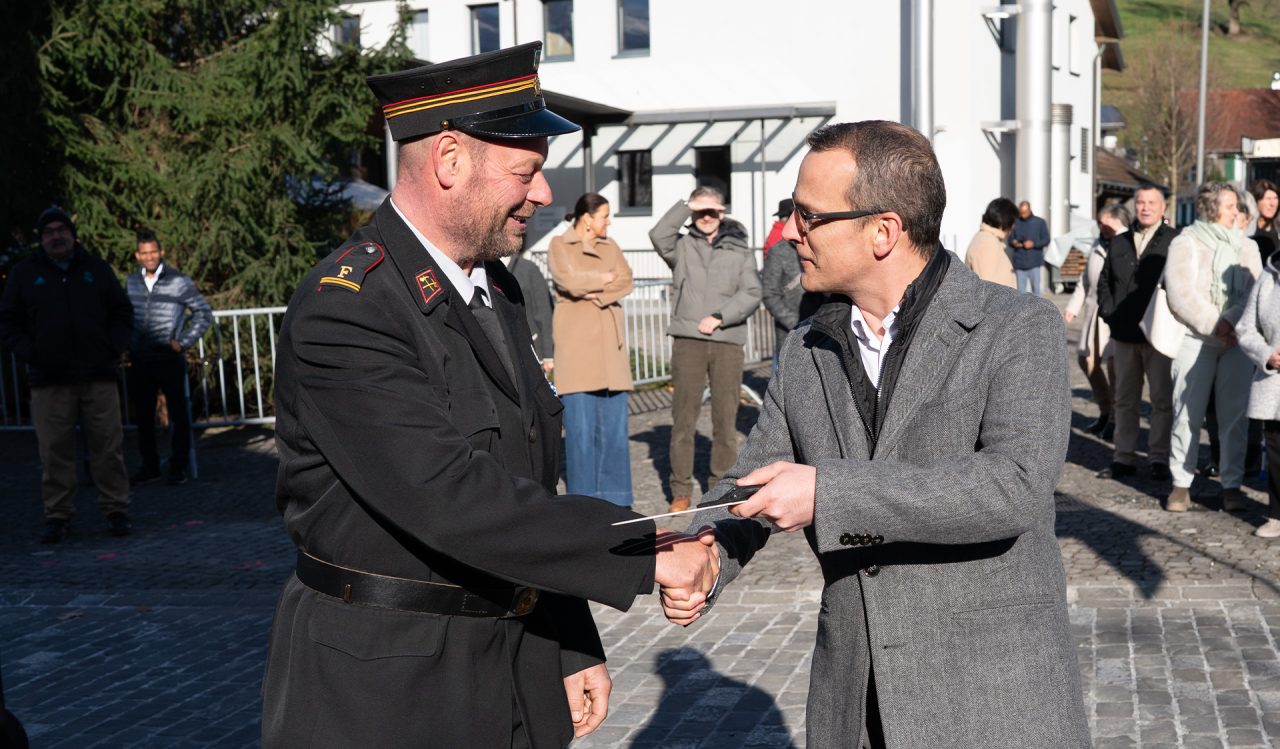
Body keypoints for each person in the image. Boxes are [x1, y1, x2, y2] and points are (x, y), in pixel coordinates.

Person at [259, 43, 717, 749]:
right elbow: (451, 493)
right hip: (388, 687)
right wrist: (642, 546)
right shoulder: (347, 308)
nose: (542, 194)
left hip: (514, 659)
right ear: (448, 161)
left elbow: (528, 478)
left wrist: (566, 636)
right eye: (526, 172)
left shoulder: (492, 286)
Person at [661, 121, 1089, 747]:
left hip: (992, 696)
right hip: (856, 700)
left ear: (883, 231)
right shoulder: (808, 347)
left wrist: (829, 494)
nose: (792, 230)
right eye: (791, 212)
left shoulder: (1017, 327)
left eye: (809, 216)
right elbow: (751, 477)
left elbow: (1014, 487)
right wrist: (706, 549)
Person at [0, 206, 133, 543]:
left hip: (98, 375)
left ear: (73, 235)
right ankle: (58, 515)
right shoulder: (24, 274)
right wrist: (32, 354)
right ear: (40, 239)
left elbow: (121, 311)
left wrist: (113, 347)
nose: (56, 236)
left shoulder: (96, 269)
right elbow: (8, 321)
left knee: (108, 447)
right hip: (49, 380)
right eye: (49, 231)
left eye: (62, 229)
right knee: (54, 451)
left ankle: (116, 510)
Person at [650, 187, 761, 512]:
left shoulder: (740, 249)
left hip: (727, 341)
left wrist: (720, 317)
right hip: (688, 340)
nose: (707, 217)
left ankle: (719, 487)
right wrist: (687, 204)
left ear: (723, 214)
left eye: (713, 212)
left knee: (725, 420)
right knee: (683, 419)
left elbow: (753, 291)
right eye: (701, 212)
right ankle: (680, 490)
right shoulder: (682, 247)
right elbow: (659, 234)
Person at [1164, 182, 1262, 512]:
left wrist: (1232, 321)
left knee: (1234, 417)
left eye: (1237, 206)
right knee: (1186, 413)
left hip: (1236, 342)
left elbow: (1254, 292)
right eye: (1231, 205)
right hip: (1196, 339)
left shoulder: (1247, 247)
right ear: (1211, 207)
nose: (1237, 211)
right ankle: (1181, 483)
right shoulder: (1186, 241)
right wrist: (1213, 323)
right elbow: (1179, 292)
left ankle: (1231, 484)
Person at [547, 193, 635, 507]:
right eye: (604, 216)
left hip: (611, 348)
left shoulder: (611, 246)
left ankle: (617, 499)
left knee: (613, 431)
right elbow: (567, 281)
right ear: (587, 217)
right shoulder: (559, 245)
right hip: (577, 347)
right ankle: (584, 502)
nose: (609, 222)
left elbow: (626, 280)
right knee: (580, 433)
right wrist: (601, 278)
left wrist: (594, 293)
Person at [1096, 184, 1178, 481]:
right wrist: (1109, 313)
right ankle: (1124, 457)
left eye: (1151, 203)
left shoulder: (1175, 241)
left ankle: (1158, 457)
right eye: (1140, 202)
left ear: (1162, 207)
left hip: (1159, 335)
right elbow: (1104, 283)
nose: (1145, 207)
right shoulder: (1119, 242)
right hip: (1125, 334)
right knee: (1124, 399)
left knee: (1161, 401)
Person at [125, 229, 212, 486]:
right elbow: (123, 315)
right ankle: (149, 466)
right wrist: (126, 343)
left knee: (178, 414)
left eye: (154, 252)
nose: (150, 257)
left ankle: (178, 467)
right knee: (143, 416)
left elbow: (203, 312)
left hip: (168, 357)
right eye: (144, 253)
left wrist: (183, 341)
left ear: (161, 252)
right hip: (140, 358)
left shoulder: (178, 281)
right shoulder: (131, 282)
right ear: (137, 255)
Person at [1065, 202, 1129, 439]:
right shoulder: (1098, 244)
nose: (1101, 226)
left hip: (1115, 315)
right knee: (1087, 361)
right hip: (1094, 312)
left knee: (1115, 367)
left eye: (1105, 222)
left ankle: (1115, 419)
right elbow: (1085, 280)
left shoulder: (1125, 243)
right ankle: (1105, 410)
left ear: (1117, 220)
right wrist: (1073, 307)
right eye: (1100, 223)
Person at [761, 208, 824, 377]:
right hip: (792, 331)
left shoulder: (823, 246)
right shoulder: (779, 251)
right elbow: (769, 293)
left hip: (825, 329)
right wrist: (795, 324)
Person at [506, 245, 554, 374]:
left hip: (531, 349)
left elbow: (544, 312)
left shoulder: (529, 269)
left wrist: (548, 355)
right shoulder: (484, 269)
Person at [963, 197, 1017, 288]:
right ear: (1004, 222)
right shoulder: (987, 243)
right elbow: (989, 289)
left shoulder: (988, 238)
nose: (1012, 228)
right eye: (1012, 223)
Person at [1008, 200, 1049, 295]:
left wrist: (1033, 244)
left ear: (1030, 210)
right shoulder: (1015, 223)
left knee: (1036, 292)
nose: (1023, 215)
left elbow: (1046, 239)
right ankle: (1022, 310)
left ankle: (1038, 310)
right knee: (1021, 293)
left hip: (1034, 262)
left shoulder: (1040, 222)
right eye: (1021, 212)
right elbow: (1010, 239)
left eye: (1025, 212)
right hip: (1019, 263)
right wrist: (1014, 242)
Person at [1250, 178, 1279, 264]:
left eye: (1275, 198)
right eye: (1268, 198)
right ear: (1256, 201)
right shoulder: (1248, 230)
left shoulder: (1278, 228)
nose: (1272, 204)